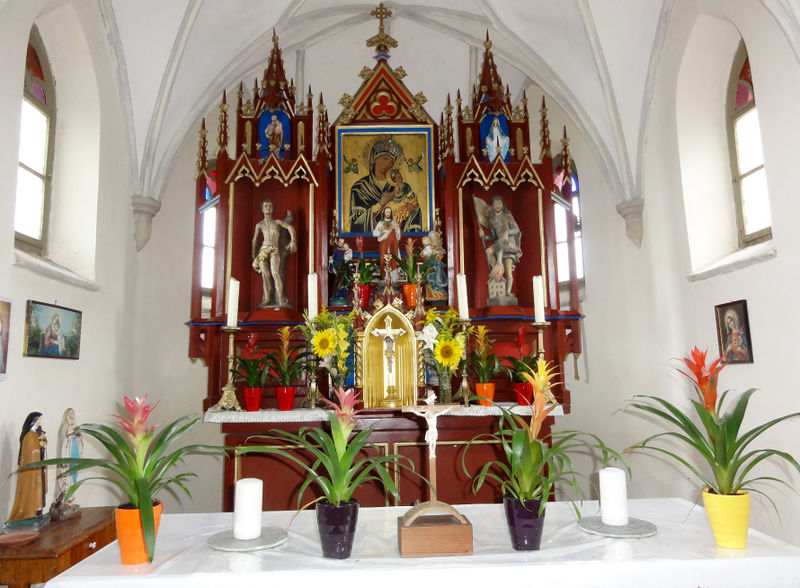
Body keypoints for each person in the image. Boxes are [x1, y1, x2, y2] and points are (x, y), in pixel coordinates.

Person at [349, 137, 404, 233]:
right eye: (385, 159)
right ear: (374, 160)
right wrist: (381, 204)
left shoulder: (395, 187)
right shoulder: (360, 187)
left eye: (391, 161)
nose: (388, 163)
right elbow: (355, 224)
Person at [252, 199, 297, 308]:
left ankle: (281, 299)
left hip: (274, 249)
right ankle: (267, 298)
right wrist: (254, 257)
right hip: (263, 250)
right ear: (262, 209)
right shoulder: (259, 225)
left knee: (275, 273)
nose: (268, 208)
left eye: (270, 206)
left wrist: (293, 241)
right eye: (266, 206)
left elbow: (290, 227)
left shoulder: (277, 222)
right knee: (265, 275)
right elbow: (254, 240)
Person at [8, 412, 47, 522]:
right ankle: (29, 511)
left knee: (38, 488)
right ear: (33, 421)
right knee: (30, 488)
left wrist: (43, 447)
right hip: (31, 469)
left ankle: (36, 510)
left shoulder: (36, 434)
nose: (40, 421)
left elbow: (39, 450)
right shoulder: (29, 435)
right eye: (39, 419)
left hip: (37, 467)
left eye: (40, 419)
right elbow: (29, 452)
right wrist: (39, 448)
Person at [484, 195, 522, 297]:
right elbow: (493, 236)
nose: (497, 205)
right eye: (495, 203)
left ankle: (508, 293)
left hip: (508, 244)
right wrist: (484, 237)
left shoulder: (507, 215)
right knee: (488, 252)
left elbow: (517, 229)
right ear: (492, 206)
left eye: (499, 203)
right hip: (499, 244)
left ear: (502, 205)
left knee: (509, 270)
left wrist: (507, 232)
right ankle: (497, 272)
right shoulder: (491, 220)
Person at [51, 408, 82, 518]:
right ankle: (64, 500)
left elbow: (79, 440)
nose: (72, 416)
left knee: (73, 478)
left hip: (74, 454)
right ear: (66, 416)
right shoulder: (63, 428)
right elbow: (63, 442)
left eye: (73, 414)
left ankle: (70, 499)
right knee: (66, 478)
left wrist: (78, 436)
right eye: (70, 414)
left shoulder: (75, 427)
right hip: (67, 456)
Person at [372, 206, 401, 278]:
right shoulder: (380, 223)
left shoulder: (393, 222)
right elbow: (374, 234)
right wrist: (380, 229)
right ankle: (384, 278)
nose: (388, 213)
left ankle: (393, 278)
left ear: (391, 213)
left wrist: (397, 229)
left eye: (389, 212)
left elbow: (398, 234)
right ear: (384, 213)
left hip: (393, 245)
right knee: (383, 260)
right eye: (386, 212)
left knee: (393, 259)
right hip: (384, 244)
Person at [421, 230, 447, 302]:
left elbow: (440, 256)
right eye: (432, 239)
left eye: (435, 238)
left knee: (437, 279)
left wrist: (436, 255)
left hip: (437, 267)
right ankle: (430, 295)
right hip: (429, 267)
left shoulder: (440, 249)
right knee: (428, 280)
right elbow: (423, 255)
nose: (434, 240)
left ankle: (439, 295)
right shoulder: (428, 249)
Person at [329, 237, 353, 303]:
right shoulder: (335, 251)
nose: (340, 244)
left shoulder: (345, 252)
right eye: (339, 242)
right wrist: (332, 267)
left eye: (342, 243)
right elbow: (331, 260)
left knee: (343, 283)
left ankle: (342, 295)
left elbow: (348, 260)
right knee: (336, 283)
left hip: (343, 270)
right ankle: (334, 296)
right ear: (337, 242)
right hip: (336, 270)